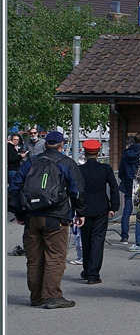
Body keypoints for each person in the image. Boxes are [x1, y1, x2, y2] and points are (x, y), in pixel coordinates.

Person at [8, 130, 86, 309]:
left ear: (44, 144)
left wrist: (20, 214)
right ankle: (52, 296)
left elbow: (15, 187)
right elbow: (77, 190)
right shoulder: (66, 163)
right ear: (61, 145)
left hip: (32, 216)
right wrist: (80, 212)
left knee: (34, 258)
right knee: (55, 257)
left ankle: (36, 297)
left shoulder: (31, 162)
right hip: (56, 216)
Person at [78, 138, 120, 285]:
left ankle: (86, 270)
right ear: (98, 152)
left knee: (86, 239)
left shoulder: (80, 170)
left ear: (84, 152)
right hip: (101, 208)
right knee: (97, 240)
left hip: (84, 209)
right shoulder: (105, 169)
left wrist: (77, 209)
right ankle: (93, 273)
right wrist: (114, 207)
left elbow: (76, 190)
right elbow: (114, 188)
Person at [117, 132, 140, 245]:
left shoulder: (126, 153)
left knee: (127, 211)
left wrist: (125, 179)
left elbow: (121, 170)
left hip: (128, 183)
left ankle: (124, 236)